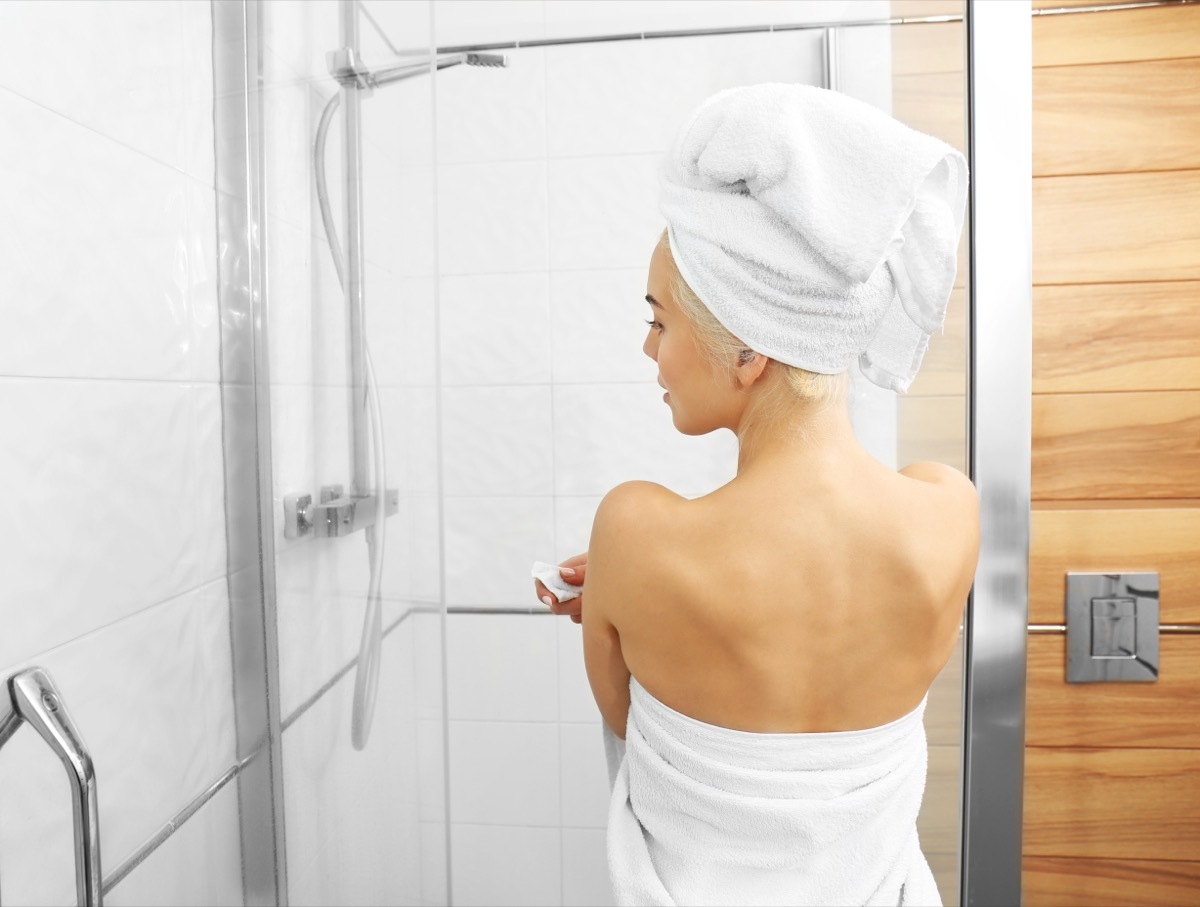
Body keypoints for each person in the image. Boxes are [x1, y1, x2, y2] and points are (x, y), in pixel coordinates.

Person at [534, 83, 977, 906]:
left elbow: (638, 728)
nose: (648, 346)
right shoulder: (949, 512)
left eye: (660, 320)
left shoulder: (635, 531)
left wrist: (632, 593)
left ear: (748, 355)